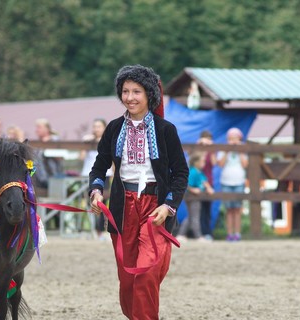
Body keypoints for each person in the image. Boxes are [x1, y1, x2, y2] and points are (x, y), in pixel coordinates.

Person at [89, 65, 189, 319]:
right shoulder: (113, 129)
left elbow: (180, 173)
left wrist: (168, 206)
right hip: (122, 209)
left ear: (149, 95)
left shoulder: (166, 130)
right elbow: (99, 167)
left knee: (146, 273)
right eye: (125, 91)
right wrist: (97, 190)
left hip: (155, 207)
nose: (130, 97)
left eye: (137, 91)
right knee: (127, 278)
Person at [80, 118, 113, 240]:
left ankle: (100, 231)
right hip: (87, 174)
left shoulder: (108, 140)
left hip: (106, 174)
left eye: (99, 126)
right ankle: (90, 230)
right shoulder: (88, 140)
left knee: (102, 203)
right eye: (94, 126)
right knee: (88, 202)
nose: (96, 129)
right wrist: (86, 145)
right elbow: (81, 157)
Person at [217, 127, 248, 242]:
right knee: (229, 209)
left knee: (237, 209)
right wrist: (228, 150)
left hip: (239, 180)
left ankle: (237, 233)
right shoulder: (224, 149)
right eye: (231, 138)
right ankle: (229, 233)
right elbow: (220, 163)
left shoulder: (243, 149)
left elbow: (245, 164)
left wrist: (239, 150)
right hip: (226, 180)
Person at [176, 153, 214, 242]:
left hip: (196, 198)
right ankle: (198, 236)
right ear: (196, 162)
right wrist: (193, 190)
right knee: (195, 216)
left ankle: (181, 234)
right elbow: (187, 184)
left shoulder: (199, 172)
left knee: (191, 216)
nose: (204, 163)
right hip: (192, 197)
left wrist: (209, 188)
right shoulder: (193, 172)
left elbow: (205, 181)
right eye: (202, 161)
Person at [32, 118, 63, 188]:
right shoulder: (36, 143)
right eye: (36, 127)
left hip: (53, 177)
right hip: (39, 179)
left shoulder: (54, 140)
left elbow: (60, 157)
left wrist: (47, 146)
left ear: (47, 129)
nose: (36, 130)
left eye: (39, 127)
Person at [197, 130, 216, 240]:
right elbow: (196, 160)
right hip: (197, 182)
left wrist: (211, 149)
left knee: (207, 209)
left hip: (209, 181)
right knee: (198, 209)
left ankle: (208, 232)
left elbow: (214, 163)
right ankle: (200, 233)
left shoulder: (211, 151)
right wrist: (200, 146)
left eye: (209, 139)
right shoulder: (198, 149)